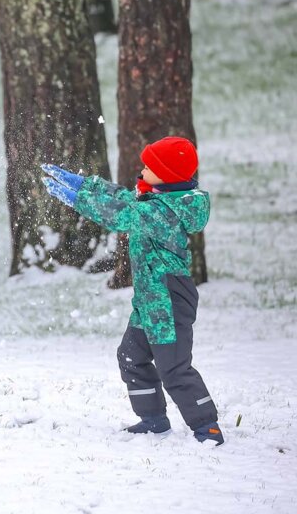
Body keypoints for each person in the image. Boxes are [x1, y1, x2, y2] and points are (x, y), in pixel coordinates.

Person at [41, 136, 224, 445]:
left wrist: (78, 200)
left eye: (149, 167)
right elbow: (124, 198)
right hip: (151, 300)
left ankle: (208, 427)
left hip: (168, 300)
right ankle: (154, 420)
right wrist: (85, 185)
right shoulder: (156, 200)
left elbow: (121, 214)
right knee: (131, 356)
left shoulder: (163, 213)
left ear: (166, 175)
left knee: (174, 369)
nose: (142, 171)